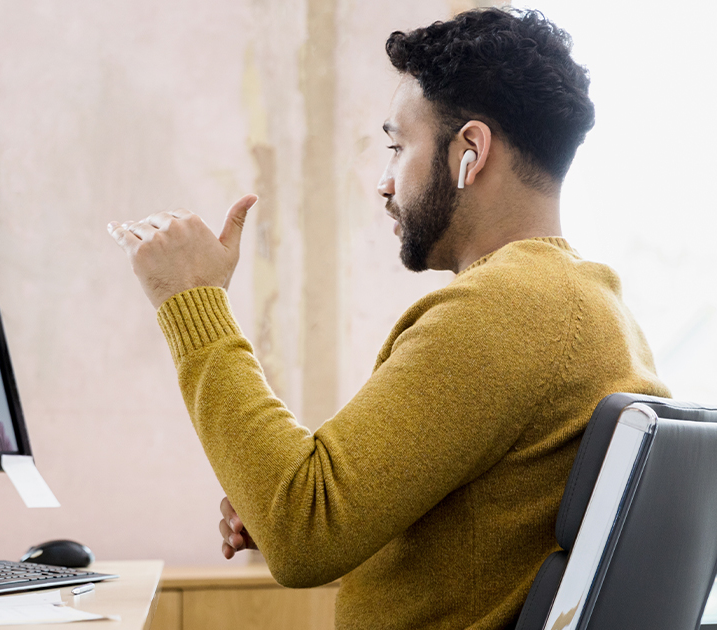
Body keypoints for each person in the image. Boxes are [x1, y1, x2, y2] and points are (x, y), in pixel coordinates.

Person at [106, 9, 669, 630]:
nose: (382, 182)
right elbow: (475, 539)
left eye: (398, 146)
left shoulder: (501, 310)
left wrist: (193, 302)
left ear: (470, 152)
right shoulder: (593, 304)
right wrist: (306, 509)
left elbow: (302, 531)